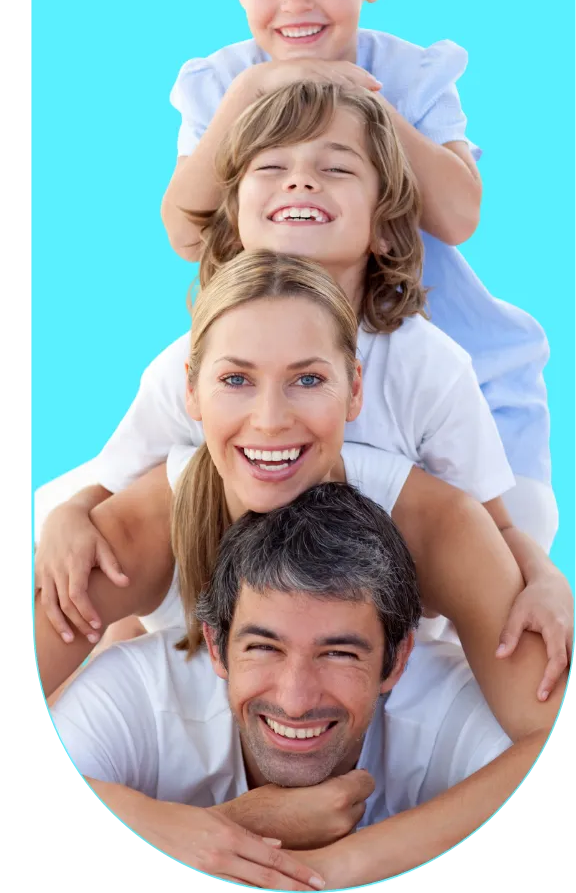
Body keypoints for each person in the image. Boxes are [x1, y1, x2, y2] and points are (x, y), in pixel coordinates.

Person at [35, 86, 572, 692]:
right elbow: (109, 496)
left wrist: (547, 580)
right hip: (218, 600)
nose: (300, 181)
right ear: (235, 222)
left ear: (387, 229)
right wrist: (66, 520)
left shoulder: (429, 366)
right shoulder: (191, 362)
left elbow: (493, 527)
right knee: (128, 602)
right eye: (271, 166)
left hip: (360, 617)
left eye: (336, 167)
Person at [160, 0, 555, 544]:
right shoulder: (224, 83)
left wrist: (359, 98)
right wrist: (249, 98)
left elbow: (459, 216)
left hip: (444, 364)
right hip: (304, 377)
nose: (297, 3)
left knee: (501, 545)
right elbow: (187, 234)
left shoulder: (409, 74)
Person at [35, 252, 571, 720]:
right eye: (236, 380)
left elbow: (539, 729)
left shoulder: (437, 525)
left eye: (308, 380)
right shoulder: (148, 524)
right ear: (191, 393)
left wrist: (544, 576)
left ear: (354, 390)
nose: (270, 420)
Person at [50, 482, 565, 888]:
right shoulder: (136, 691)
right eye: (263, 648)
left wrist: (333, 868)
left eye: (338, 653)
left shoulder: (451, 705)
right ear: (215, 646)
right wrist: (235, 824)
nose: (295, 700)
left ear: (395, 659)